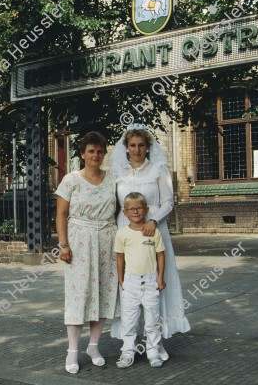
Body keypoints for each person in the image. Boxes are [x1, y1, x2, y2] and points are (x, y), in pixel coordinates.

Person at [109, 123, 190, 361]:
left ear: (147, 147)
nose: (136, 150)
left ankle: (157, 343)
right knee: (130, 289)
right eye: (132, 145)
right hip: (127, 231)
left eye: (141, 145)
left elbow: (168, 201)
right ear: (126, 148)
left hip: (153, 230)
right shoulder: (119, 174)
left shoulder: (157, 169)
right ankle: (129, 346)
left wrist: (153, 220)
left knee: (156, 286)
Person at [55, 131, 118, 374]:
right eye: (91, 151)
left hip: (107, 240)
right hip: (79, 241)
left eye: (100, 151)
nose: (96, 155)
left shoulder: (113, 179)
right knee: (78, 294)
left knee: (102, 292)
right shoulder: (71, 180)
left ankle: (93, 346)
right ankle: (72, 350)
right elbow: (61, 214)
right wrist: (63, 245)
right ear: (82, 154)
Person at [114, 192, 166, 368]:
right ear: (125, 212)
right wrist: (121, 279)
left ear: (146, 209)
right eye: (131, 209)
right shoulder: (122, 234)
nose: (135, 211)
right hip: (130, 282)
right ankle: (128, 352)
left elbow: (160, 255)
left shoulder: (153, 232)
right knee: (129, 320)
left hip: (151, 280)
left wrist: (160, 278)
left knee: (152, 319)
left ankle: (153, 351)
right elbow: (119, 257)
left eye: (139, 208)